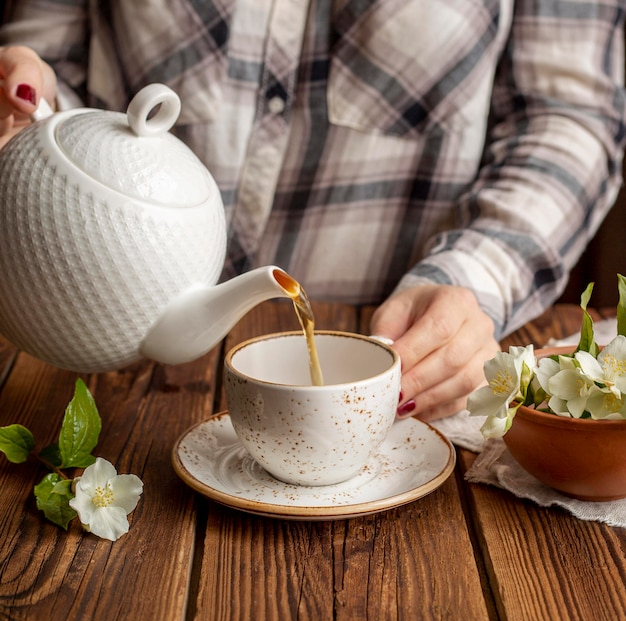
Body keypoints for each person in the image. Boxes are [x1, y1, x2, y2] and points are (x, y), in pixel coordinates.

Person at [0, 1, 624, 423]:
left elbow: (567, 117)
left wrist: (476, 277)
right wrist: (26, 116)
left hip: (381, 337)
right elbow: (48, 66)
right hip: (85, 357)